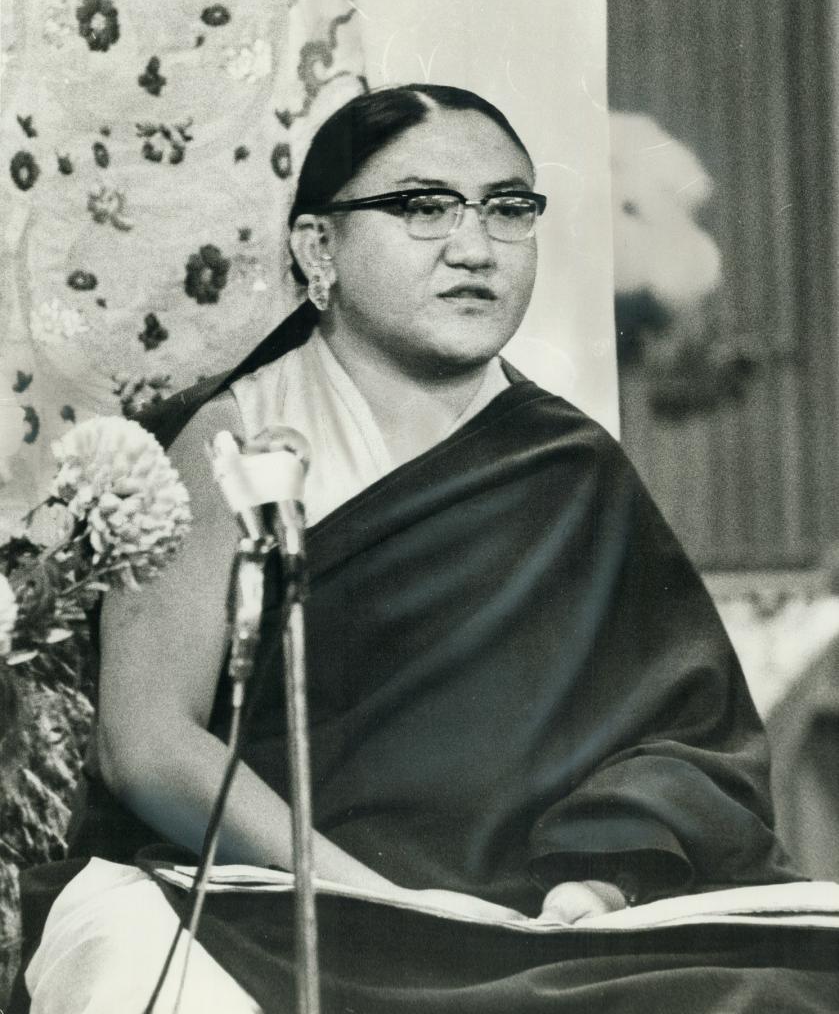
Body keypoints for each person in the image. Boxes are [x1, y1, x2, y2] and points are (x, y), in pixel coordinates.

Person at [10, 85, 838, 1012]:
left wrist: (596, 883)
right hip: (280, 898)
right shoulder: (227, 441)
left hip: (539, 915)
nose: (475, 246)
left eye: (508, 208)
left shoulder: (567, 465)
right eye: (422, 206)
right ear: (317, 248)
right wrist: (374, 901)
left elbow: (684, 737)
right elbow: (148, 744)